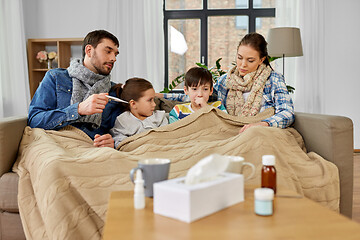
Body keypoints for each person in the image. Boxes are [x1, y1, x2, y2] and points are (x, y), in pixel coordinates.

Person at [159, 32, 294, 132]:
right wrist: (160, 96)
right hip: (231, 130)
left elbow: (287, 113)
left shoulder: (273, 79)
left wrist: (262, 124)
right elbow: (200, 94)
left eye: (250, 60)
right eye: (240, 57)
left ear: (261, 59)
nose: (243, 64)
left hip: (260, 130)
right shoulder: (226, 80)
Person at [28, 30, 122, 148]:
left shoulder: (114, 91)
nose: (114, 58)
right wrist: (77, 110)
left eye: (116, 54)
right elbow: (34, 120)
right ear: (89, 51)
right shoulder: (56, 77)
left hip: (91, 149)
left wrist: (111, 140)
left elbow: (118, 130)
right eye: (108, 51)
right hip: (56, 145)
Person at [110, 78, 168, 148]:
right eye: (150, 100)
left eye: (153, 99)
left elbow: (166, 137)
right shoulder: (123, 120)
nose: (154, 104)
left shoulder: (160, 117)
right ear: (133, 104)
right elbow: (119, 142)